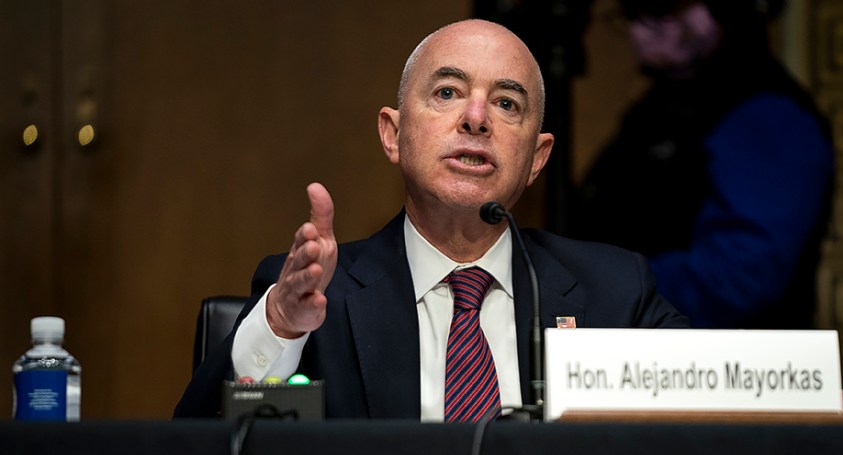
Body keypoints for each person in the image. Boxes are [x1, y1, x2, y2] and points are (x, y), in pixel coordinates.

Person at [174, 19, 688, 421]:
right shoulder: (315, 302)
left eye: (507, 103)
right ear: (392, 135)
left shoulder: (616, 294)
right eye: (447, 93)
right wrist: (282, 327)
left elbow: (718, 423)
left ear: (537, 158)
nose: (476, 117)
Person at [568, 0, 834, 329]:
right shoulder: (661, 105)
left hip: (717, 365)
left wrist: (592, 290)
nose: (639, 32)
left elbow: (739, 275)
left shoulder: (766, 113)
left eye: (659, 13)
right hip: (643, 353)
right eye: (631, 17)